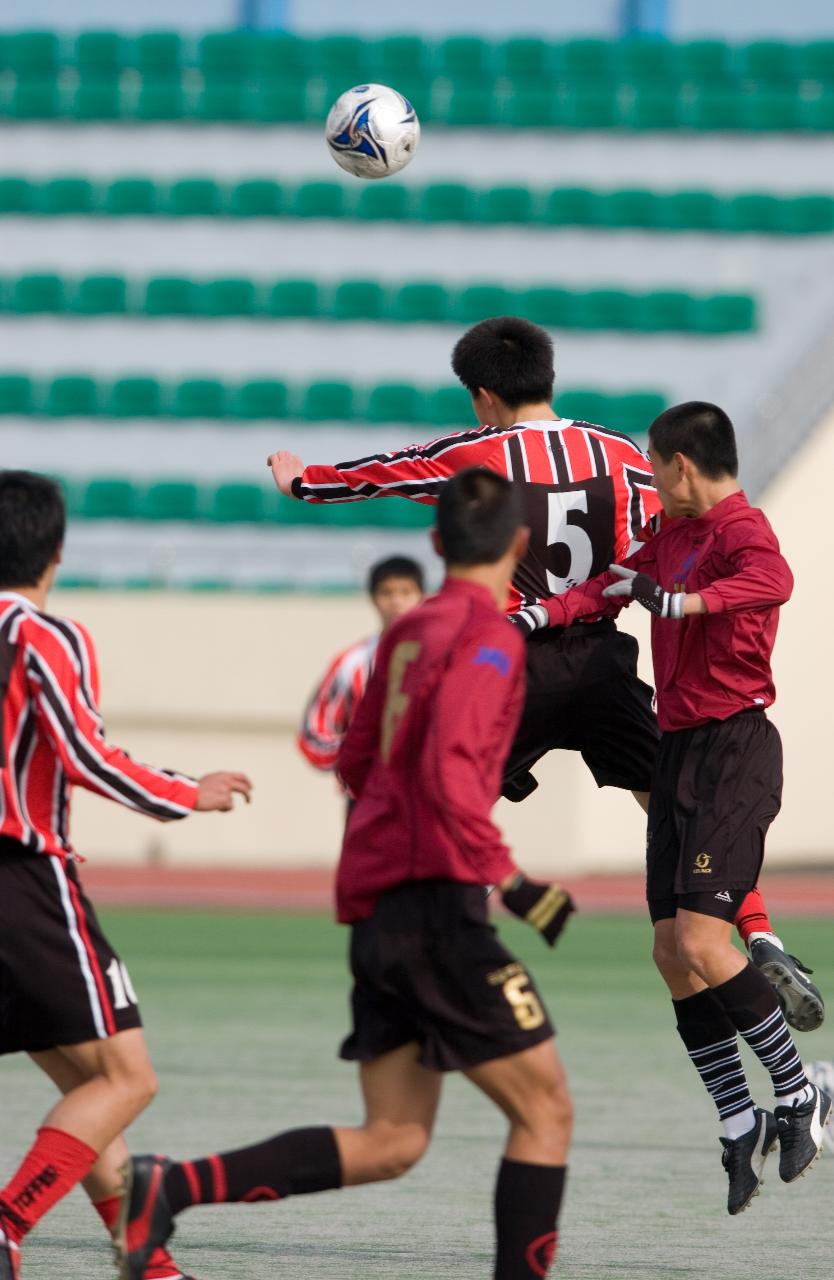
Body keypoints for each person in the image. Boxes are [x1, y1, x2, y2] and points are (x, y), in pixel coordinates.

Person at [267, 315, 822, 1033]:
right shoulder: (622, 454)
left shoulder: (474, 453)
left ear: (484, 395)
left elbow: (370, 478)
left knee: (437, 794)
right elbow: (681, 525)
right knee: (680, 809)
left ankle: (418, 950)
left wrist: (300, 481)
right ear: (548, 377)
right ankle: (758, 932)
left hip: (515, 660)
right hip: (602, 658)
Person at [118, 468, 576, 1280]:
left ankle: (168, 1187)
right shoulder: (490, 636)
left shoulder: (403, 636)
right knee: (545, 1112)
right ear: (519, 544)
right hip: (439, 910)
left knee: (392, 1141)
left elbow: (358, 760)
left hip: (381, 912)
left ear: (436, 545)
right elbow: (444, 765)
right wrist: (510, 880)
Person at [517, 402, 831, 1214]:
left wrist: (680, 604)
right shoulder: (670, 534)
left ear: (683, 463)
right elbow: (607, 588)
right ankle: (738, 1118)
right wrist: (536, 614)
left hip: (734, 750)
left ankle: (803, 1093)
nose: (651, 477)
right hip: (681, 748)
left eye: (656, 464)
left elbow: (775, 582)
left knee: (701, 938)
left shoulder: (741, 531)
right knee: (668, 950)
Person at [0, 470, 252, 1280]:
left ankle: (148, 1262)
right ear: (57, 551)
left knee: (88, 1081)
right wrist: (189, 794)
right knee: (127, 1078)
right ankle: (6, 1223)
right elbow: (84, 755)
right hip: (22, 877)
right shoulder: (44, 635)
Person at [298, 555, 424, 773]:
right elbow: (315, 733)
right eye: (387, 592)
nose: (396, 601)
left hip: (425, 792)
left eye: (406, 592)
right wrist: (359, 750)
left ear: (421, 596)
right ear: (373, 599)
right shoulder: (351, 662)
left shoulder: (444, 657)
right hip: (366, 793)